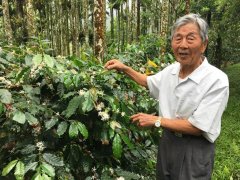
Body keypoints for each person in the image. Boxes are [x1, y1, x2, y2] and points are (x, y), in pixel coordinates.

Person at [104, 13, 229, 180]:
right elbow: (148, 81)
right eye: (178, 38)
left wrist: (156, 120)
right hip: (168, 142)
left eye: (190, 39)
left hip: (195, 148)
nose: (182, 45)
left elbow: (198, 127)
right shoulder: (171, 70)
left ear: (203, 44)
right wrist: (124, 68)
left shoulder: (217, 80)